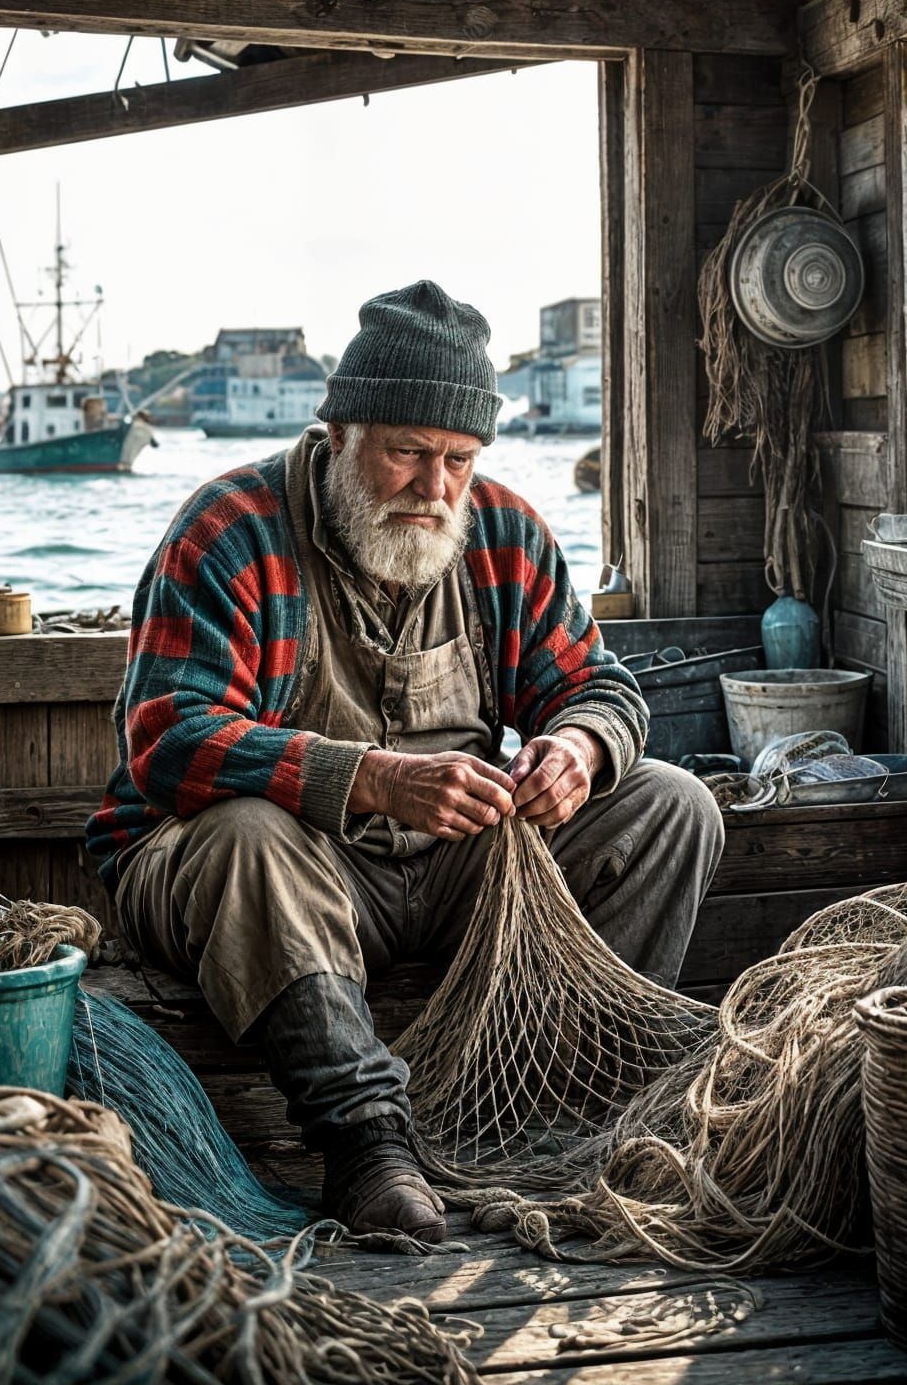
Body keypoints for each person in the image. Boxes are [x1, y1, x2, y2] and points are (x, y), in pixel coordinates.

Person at [88, 279, 724, 1243]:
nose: (435, 489)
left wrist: (578, 748)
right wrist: (371, 777)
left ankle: (559, 1110)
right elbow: (168, 743)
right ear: (339, 433)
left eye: (458, 461)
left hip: (445, 870)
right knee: (250, 835)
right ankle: (368, 1147)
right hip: (261, 877)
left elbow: (603, 688)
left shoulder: (501, 532)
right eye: (407, 454)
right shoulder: (229, 529)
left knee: (672, 806)